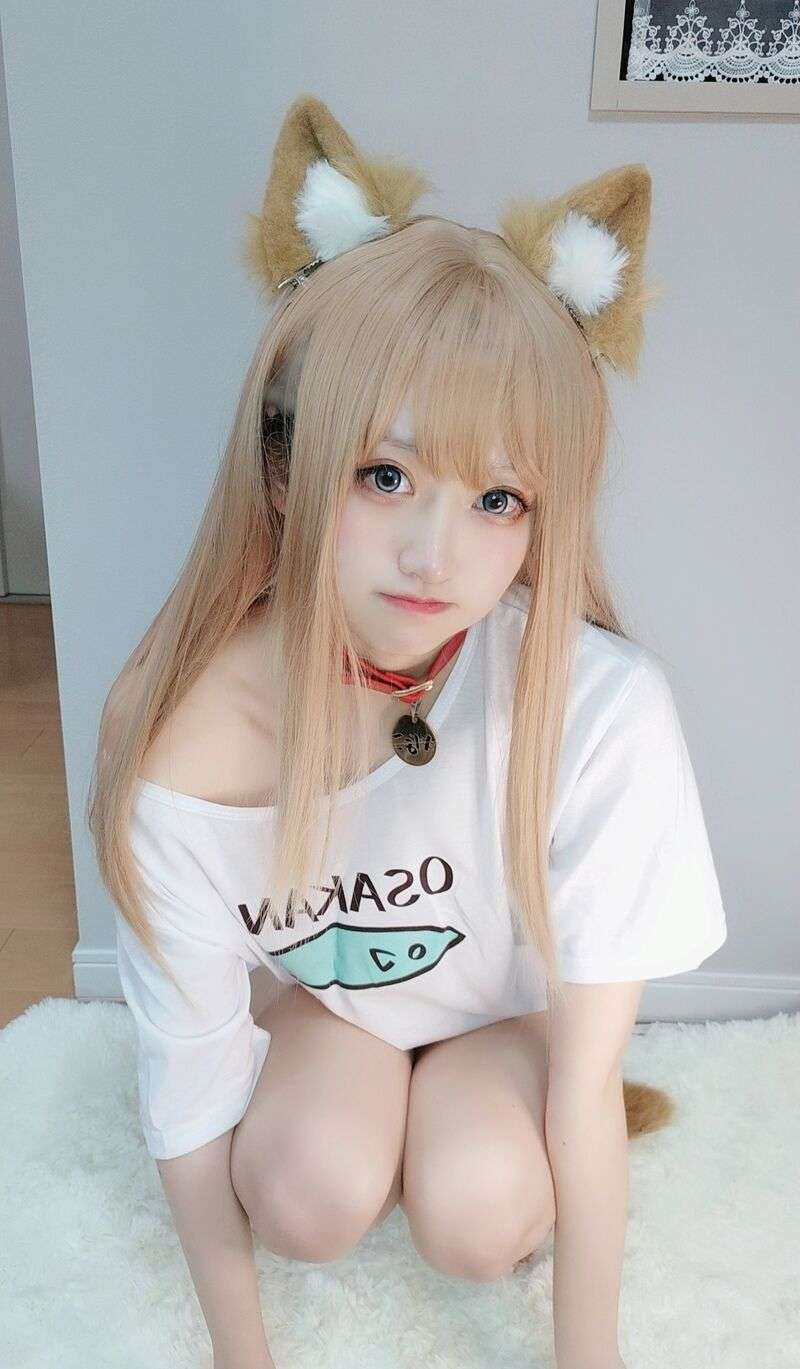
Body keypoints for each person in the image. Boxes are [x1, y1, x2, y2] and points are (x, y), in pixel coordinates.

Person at [88, 94, 727, 1369]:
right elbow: (187, 1089)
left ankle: (452, 1137)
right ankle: (379, 1127)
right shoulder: (178, 750)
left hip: (503, 1023)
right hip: (333, 1014)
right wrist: (240, 1357)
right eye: (384, 475)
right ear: (285, 470)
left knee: (479, 1218)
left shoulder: (601, 706)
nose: (437, 556)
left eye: (498, 498)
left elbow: (586, 1078)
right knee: (304, 1199)